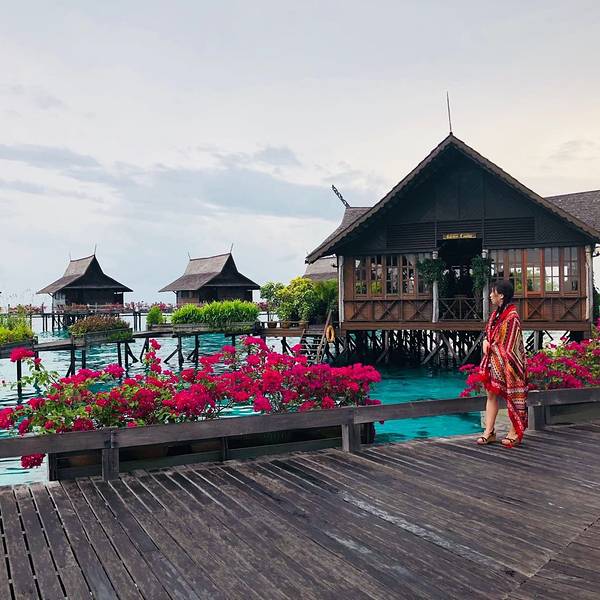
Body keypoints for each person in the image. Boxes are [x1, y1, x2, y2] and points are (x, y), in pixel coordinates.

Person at [476, 280, 528, 447]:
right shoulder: (495, 315)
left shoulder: (512, 317)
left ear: (502, 296)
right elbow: (490, 335)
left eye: (494, 292)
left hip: (510, 365)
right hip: (494, 362)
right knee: (491, 395)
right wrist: (486, 341)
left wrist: (490, 345)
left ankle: (514, 432)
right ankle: (489, 431)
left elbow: (510, 345)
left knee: (512, 396)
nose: (491, 295)